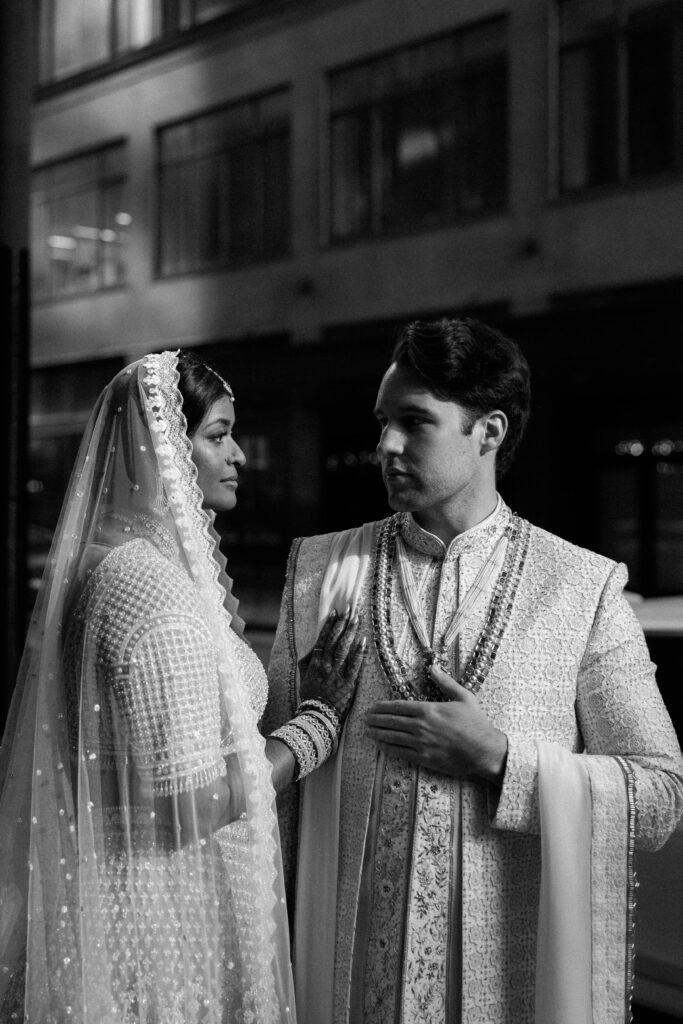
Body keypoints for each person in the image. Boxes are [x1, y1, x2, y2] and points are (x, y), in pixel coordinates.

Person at [264, 317, 683, 1024]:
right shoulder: (321, 572)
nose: (384, 447)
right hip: (340, 976)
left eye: (413, 423)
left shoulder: (579, 587)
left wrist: (500, 760)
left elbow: (659, 797)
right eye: (380, 423)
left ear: (487, 431)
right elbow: (273, 803)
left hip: (503, 986)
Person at [0, 349, 363, 1023]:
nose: (239, 456)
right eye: (218, 435)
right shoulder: (150, 592)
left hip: (114, 904)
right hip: (149, 926)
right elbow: (187, 808)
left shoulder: (117, 566)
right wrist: (312, 727)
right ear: (162, 448)